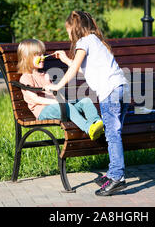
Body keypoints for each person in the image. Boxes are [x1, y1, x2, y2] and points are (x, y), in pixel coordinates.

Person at [44, 11, 130, 196]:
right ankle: (113, 172)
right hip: (122, 88)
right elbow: (87, 71)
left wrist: (58, 85)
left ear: (74, 29)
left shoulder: (83, 43)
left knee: (112, 135)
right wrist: (66, 59)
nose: (68, 35)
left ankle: (117, 177)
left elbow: (75, 71)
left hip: (110, 93)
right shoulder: (95, 41)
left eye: (68, 30)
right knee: (114, 133)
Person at [17, 39, 104, 141]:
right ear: (25, 58)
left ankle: (97, 124)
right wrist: (57, 102)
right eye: (38, 55)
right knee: (65, 105)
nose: (42, 57)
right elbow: (35, 99)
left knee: (85, 101)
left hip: (59, 105)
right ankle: (89, 128)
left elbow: (56, 93)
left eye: (42, 54)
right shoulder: (26, 78)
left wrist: (61, 100)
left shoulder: (45, 74)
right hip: (43, 111)